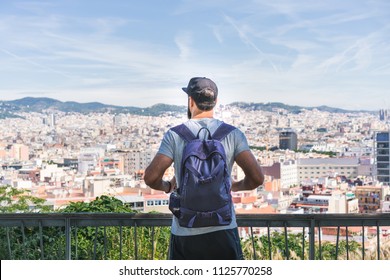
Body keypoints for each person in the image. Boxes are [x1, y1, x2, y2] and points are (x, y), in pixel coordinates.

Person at [144, 77, 264, 260]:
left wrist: (168, 186)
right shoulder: (233, 134)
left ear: (190, 100)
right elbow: (257, 178)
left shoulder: (175, 135)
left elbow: (151, 178)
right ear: (215, 102)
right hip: (223, 228)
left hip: (185, 231)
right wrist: (234, 186)